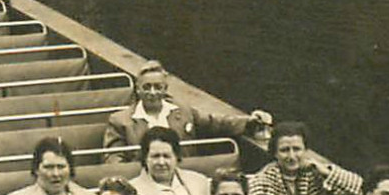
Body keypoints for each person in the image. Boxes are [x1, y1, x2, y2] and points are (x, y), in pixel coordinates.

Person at [102, 60, 270, 157]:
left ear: (165, 89)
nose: (152, 93)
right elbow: (114, 160)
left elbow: (215, 122)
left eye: (157, 87)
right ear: (137, 89)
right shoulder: (120, 121)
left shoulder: (182, 111)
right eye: (146, 87)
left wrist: (249, 122)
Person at [246, 121, 362, 195]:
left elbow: (360, 189)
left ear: (306, 150)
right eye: (284, 150)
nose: (291, 156)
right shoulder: (262, 180)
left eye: (297, 149)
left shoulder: (315, 173)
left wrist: (326, 172)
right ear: (275, 153)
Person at [129, 126, 210, 195]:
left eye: (167, 156)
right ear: (145, 158)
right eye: (155, 156)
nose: (161, 162)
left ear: (176, 157)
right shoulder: (131, 191)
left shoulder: (199, 181)